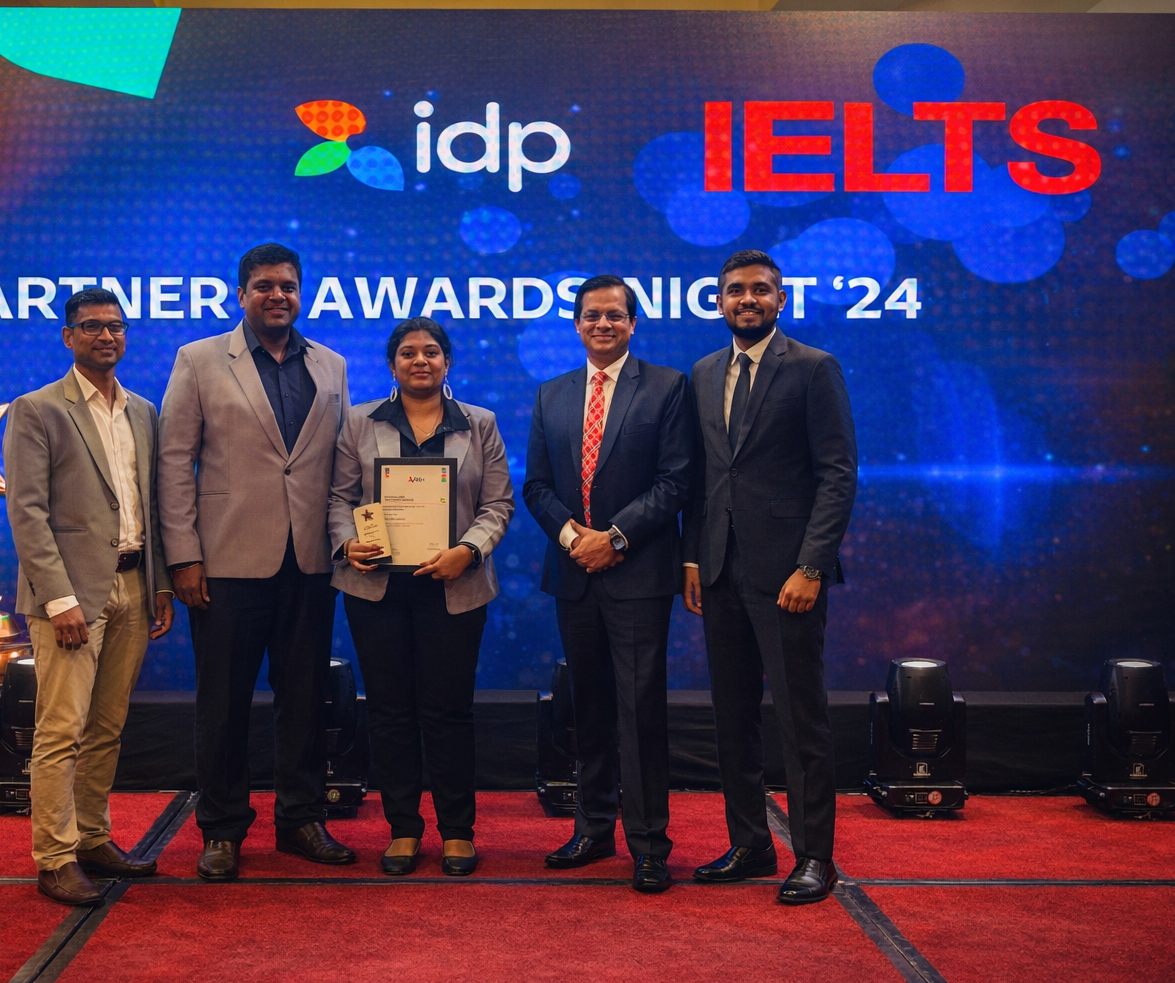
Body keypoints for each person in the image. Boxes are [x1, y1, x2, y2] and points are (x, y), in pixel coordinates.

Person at [158, 242, 354, 881]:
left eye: (288, 287)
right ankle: (221, 829)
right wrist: (182, 556)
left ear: (301, 294)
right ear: (241, 294)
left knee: (305, 698)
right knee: (223, 703)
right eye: (265, 286)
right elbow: (174, 462)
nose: (277, 296)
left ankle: (301, 819)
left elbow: (340, 466)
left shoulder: (331, 365)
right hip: (225, 561)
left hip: (311, 561)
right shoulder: (199, 359)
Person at [682, 249, 858, 905]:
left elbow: (837, 474)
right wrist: (693, 559)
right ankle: (750, 843)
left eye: (760, 289)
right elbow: (704, 476)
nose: (747, 299)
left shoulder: (813, 367)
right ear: (719, 301)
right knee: (732, 718)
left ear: (781, 299)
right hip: (719, 571)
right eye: (735, 290)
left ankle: (815, 856)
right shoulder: (704, 372)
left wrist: (812, 566)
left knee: (799, 719)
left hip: (789, 576)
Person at [3, 287, 175, 907]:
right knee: (61, 730)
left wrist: (159, 583)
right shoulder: (37, 409)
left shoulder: (144, 411)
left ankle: (92, 838)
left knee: (107, 727)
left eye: (116, 326)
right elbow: (27, 512)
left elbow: (151, 506)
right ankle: (54, 858)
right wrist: (58, 600)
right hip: (69, 598)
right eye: (93, 326)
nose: (107, 336)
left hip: (133, 583)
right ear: (68, 336)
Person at [523, 275, 695, 894]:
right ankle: (593, 828)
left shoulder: (668, 387)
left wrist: (614, 538)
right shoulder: (552, 394)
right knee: (588, 707)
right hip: (574, 574)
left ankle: (648, 845)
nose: (603, 324)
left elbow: (677, 480)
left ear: (632, 324)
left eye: (615, 316)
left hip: (637, 575)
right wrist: (575, 539)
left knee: (640, 712)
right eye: (592, 315)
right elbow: (536, 486)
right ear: (576, 324)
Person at [328, 318, 514, 877]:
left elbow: (498, 505)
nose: (420, 361)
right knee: (389, 711)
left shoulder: (480, 423)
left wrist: (469, 551)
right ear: (392, 365)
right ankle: (404, 829)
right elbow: (338, 498)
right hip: (376, 587)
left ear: (447, 362)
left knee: (449, 712)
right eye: (408, 353)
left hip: (454, 586)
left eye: (431, 352)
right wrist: (346, 542)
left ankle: (457, 831)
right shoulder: (359, 421)